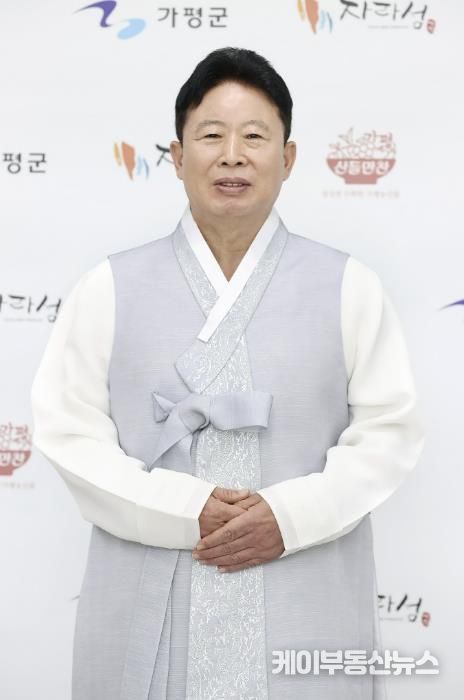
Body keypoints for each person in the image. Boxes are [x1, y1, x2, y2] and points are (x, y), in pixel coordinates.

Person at [30, 46, 424, 699]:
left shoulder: (349, 286)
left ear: (288, 158)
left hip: (304, 587)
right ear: (177, 155)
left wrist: (288, 517)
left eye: (254, 137)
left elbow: (389, 436)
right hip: (149, 586)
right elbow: (69, 436)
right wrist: (184, 509)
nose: (232, 156)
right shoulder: (108, 287)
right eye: (211, 136)